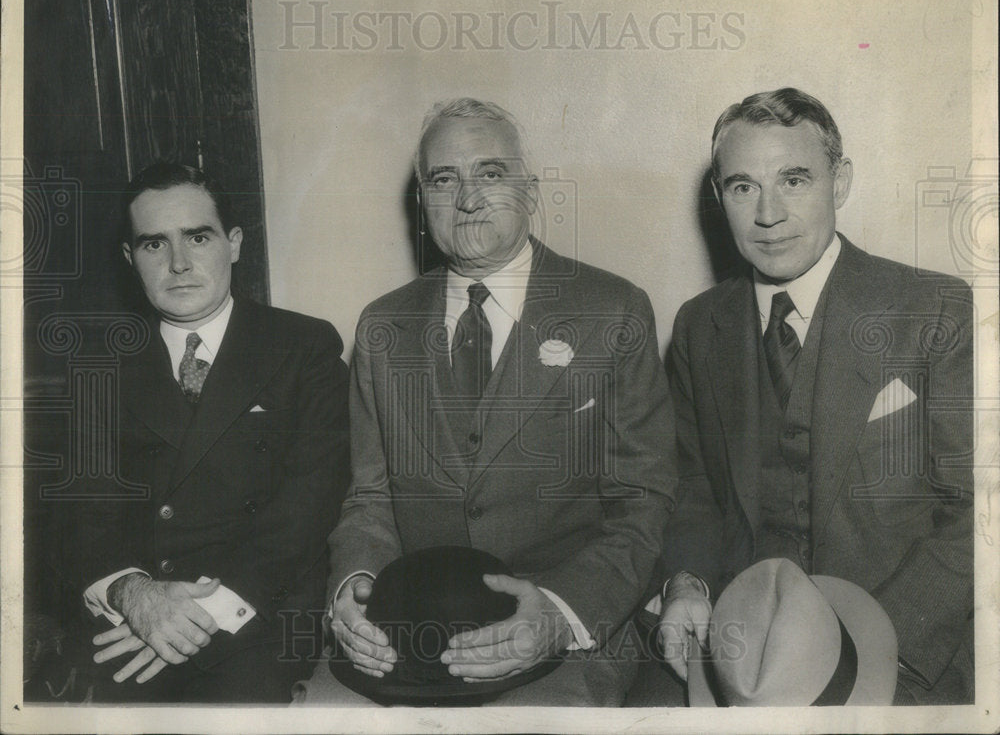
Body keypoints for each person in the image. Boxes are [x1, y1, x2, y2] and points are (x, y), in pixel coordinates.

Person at [294, 98, 677, 706]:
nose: (468, 199)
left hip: (565, 634)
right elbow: (369, 498)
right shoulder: (381, 327)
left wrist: (557, 613)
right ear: (423, 198)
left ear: (529, 188)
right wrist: (357, 586)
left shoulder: (613, 310)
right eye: (445, 179)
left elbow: (644, 502)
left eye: (492, 174)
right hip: (411, 634)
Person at [642, 88, 974, 705]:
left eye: (794, 180)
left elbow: (978, 515)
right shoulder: (697, 325)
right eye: (743, 187)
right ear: (719, 197)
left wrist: (869, 652)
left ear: (839, 182)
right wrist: (686, 584)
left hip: (899, 655)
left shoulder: (936, 310)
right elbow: (689, 488)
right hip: (745, 655)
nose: (768, 213)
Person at [76, 162, 351, 703]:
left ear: (234, 244)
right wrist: (134, 594)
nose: (179, 263)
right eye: (155, 245)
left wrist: (192, 617)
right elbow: (80, 515)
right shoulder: (97, 365)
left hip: (255, 617)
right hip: (134, 616)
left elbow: (306, 510)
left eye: (197, 237)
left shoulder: (303, 348)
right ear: (132, 260)